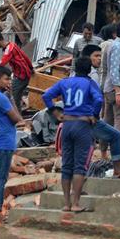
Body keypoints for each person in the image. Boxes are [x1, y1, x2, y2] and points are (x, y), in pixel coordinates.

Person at [42, 57, 103, 212]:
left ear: (75, 68)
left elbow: (46, 96)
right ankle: (76, 203)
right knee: (79, 167)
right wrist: (94, 115)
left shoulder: (64, 82)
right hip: (82, 125)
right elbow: (98, 100)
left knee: (67, 165)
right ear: (89, 70)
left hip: (66, 126)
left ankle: (67, 204)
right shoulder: (90, 83)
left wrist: (55, 111)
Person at [81, 44, 120, 178]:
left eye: (100, 56)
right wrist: (94, 115)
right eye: (96, 56)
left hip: (74, 119)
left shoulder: (74, 75)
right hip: (88, 119)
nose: (99, 59)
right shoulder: (92, 75)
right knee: (116, 135)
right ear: (87, 58)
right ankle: (117, 170)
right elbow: (97, 99)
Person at [0, 66, 23, 223]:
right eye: (7, 79)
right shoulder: (0, 98)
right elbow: (17, 119)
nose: (9, 82)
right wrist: (12, 98)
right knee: (0, 179)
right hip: (3, 142)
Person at [0, 31, 34, 111]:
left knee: (13, 98)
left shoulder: (8, 50)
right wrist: (31, 68)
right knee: (14, 96)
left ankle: (17, 119)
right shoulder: (13, 45)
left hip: (21, 77)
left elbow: (1, 63)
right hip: (24, 75)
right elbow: (24, 56)